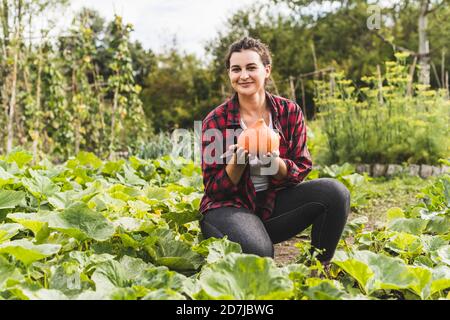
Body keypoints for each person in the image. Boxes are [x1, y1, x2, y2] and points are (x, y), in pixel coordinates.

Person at [199, 36, 350, 270]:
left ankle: (318, 268)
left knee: (335, 193)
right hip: (228, 209)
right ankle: (249, 238)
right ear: (229, 74)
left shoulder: (289, 111)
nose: (244, 75)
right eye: (236, 69)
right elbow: (214, 190)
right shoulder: (215, 121)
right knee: (260, 254)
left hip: (271, 205)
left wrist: (274, 161)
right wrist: (238, 161)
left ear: (266, 70)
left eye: (251, 67)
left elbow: (300, 168)